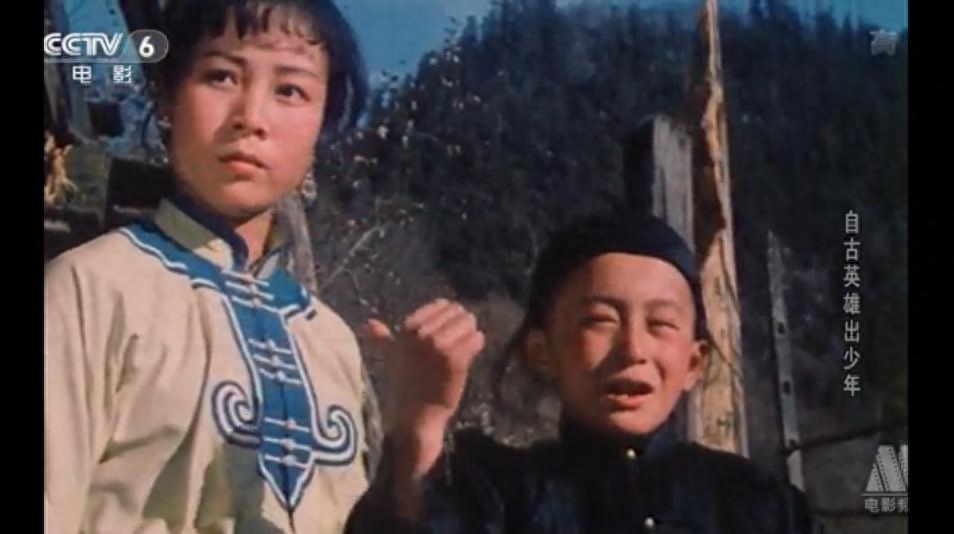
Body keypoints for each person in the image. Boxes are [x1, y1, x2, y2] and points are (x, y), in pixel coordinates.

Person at [43, 1, 485, 532]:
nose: (250, 117)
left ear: (322, 125)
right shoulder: (89, 290)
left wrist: (416, 427)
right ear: (167, 99)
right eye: (221, 76)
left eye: (290, 90)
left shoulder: (330, 341)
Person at [347, 210, 825, 533]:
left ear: (693, 363)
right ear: (542, 351)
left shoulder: (761, 505)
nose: (633, 348)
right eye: (600, 320)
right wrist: (421, 423)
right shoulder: (498, 492)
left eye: (660, 324)